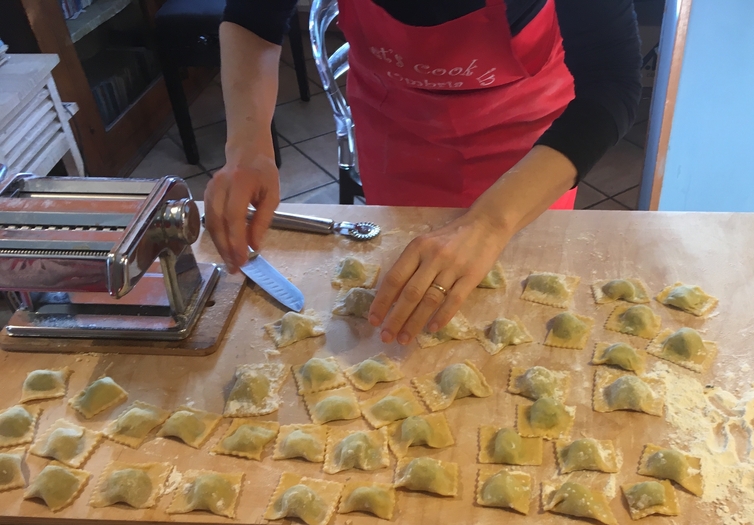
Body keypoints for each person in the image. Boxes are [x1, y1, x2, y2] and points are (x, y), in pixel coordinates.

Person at [206, 0, 642, 345]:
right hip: (399, 135)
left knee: (521, 314)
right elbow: (252, 17)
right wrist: (248, 149)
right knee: (402, 319)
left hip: (529, 152)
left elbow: (612, 85)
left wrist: (490, 222)